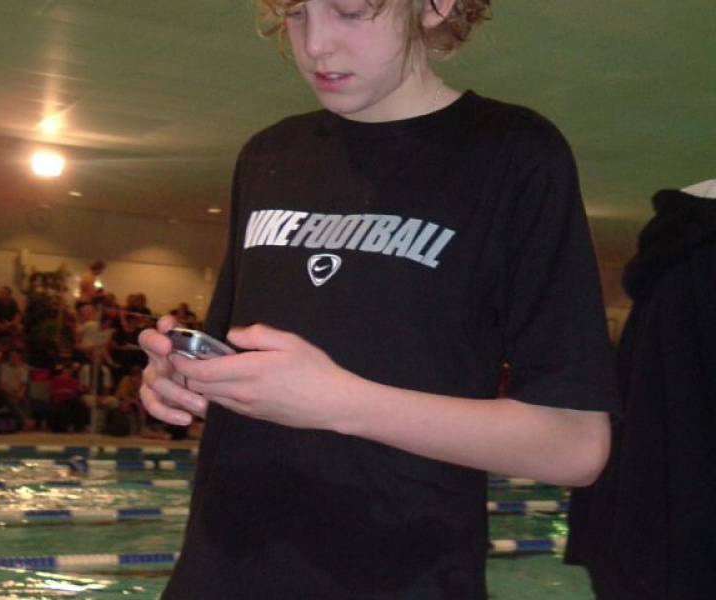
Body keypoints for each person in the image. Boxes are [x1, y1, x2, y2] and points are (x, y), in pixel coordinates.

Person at [140, 1, 618, 598]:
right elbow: (253, 380)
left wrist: (341, 402)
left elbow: (577, 446)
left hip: (402, 577)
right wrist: (187, 379)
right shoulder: (269, 155)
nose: (316, 44)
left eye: (351, 11)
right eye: (297, 13)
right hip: (220, 572)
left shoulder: (513, 156)